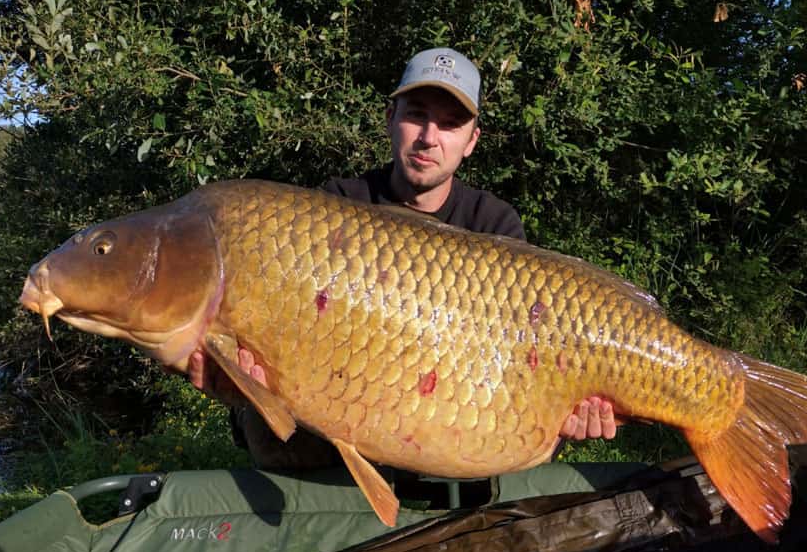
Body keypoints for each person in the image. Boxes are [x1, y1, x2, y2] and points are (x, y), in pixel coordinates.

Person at [189, 47, 618, 468]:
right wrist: (246, 384)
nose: (429, 137)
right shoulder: (337, 206)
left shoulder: (494, 223)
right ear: (390, 118)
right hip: (338, 429)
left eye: (450, 125)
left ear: (471, 142)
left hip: (455, 427)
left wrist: (567, 412)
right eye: (417, 115)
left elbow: (526, 368)